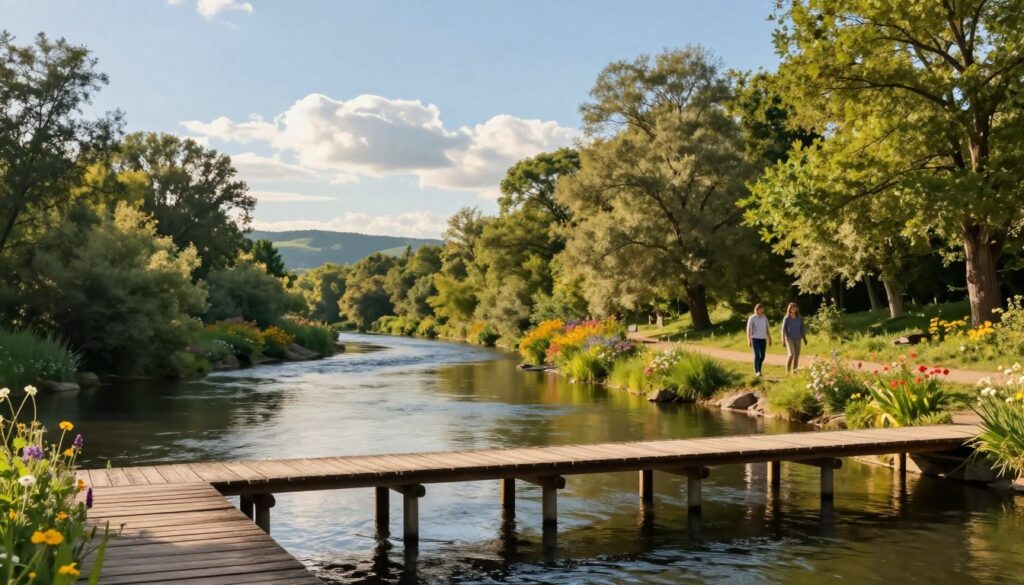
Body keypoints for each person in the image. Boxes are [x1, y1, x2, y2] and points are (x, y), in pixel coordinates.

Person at [780, 302, 808, 373]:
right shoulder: (786, 318)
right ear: (790, 309)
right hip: (789, 339)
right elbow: (783, 330)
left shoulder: (800, 318)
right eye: (792, 308)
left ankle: (794, 372)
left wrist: (804, 338)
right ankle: (788, 371)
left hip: (798, 338)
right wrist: (783, 340)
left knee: (796, 357)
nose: (794, 309)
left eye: (795, 307)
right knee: (791, 354)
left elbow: (802, 328)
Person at [746, 303, 771, 376]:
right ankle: (757, 371)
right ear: (756, 310)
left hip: (763, 338)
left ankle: (759, 369)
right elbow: (749, 329)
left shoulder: (764, 318)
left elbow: (767, 329)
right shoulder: (752, 318)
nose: (761, 310)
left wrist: (769, 338)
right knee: (757, 355)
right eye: (759, 309)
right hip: (755, 338)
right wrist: (749, 339)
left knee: (762, 356)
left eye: (761, 308)